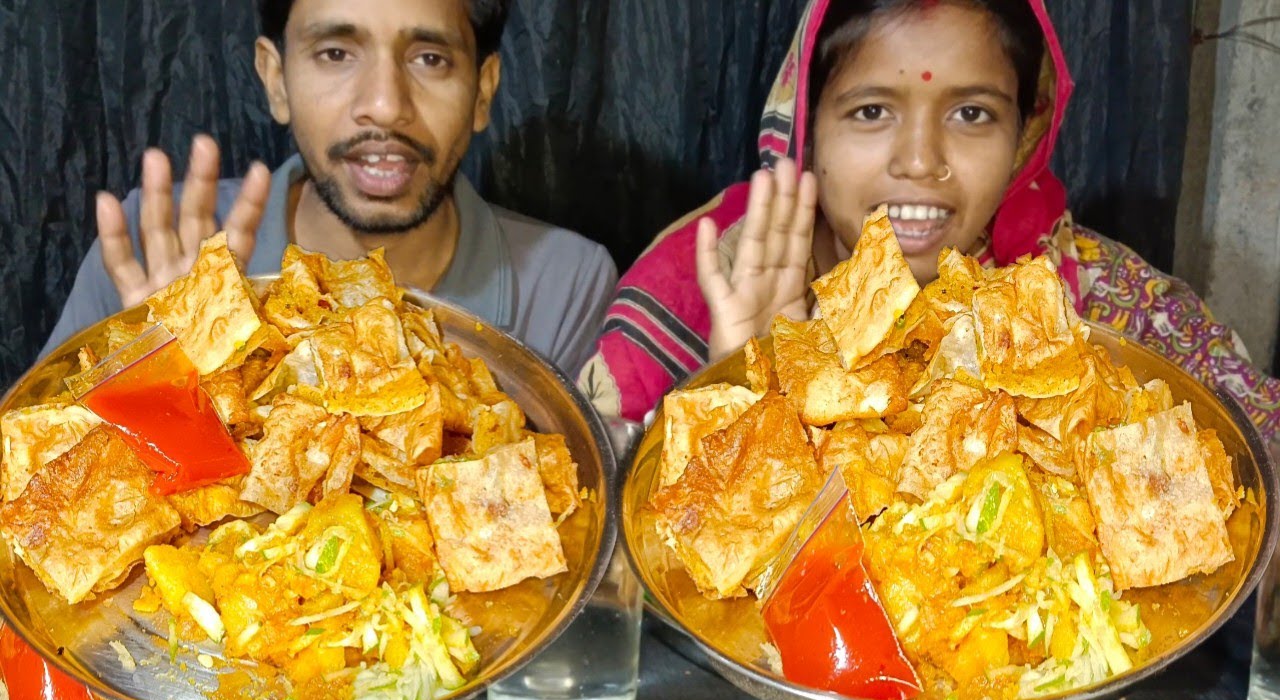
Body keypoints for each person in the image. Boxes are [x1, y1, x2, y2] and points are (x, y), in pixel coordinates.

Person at [578, 0, 1280, 441]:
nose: (920, 161)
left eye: (971, 114)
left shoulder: (1105, 306)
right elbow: (612, 589)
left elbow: (1258, 471)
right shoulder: (704, 287)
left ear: (1025, 137)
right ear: (805, 127)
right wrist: (740, 390)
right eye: (871, 111)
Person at [42, 0, 616, 376]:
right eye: (336, 54)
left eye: (430, 58)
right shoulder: (154, 249)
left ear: (483, 91)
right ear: (276, 80)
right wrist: (159, 375)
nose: (386, 106)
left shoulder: (566, 284)